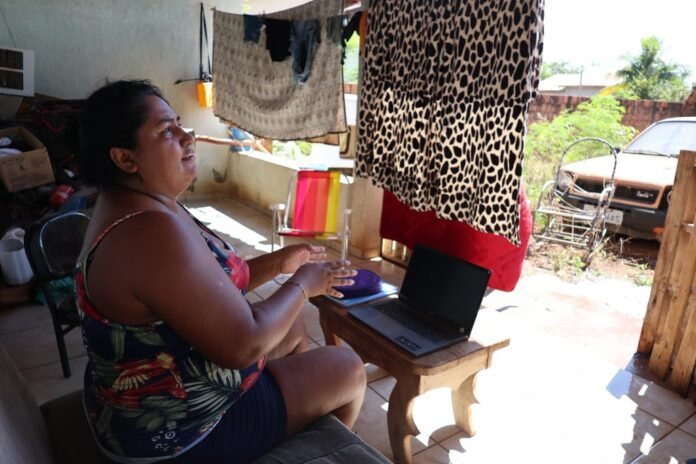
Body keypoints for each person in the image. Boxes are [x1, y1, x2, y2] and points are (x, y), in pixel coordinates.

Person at [76, 79, 366, 464]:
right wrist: (302, 284)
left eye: (179, 123)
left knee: (293, 328)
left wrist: (279, 263)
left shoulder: (139, 204)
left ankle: (285, 419)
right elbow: (243, 345)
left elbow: (209, 283)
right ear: (125, 159)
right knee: (347, 367)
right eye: (166, 130)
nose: (187, 135)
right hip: (174, 436)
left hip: (148, 395)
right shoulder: (147, 232)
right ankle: (321, 449)